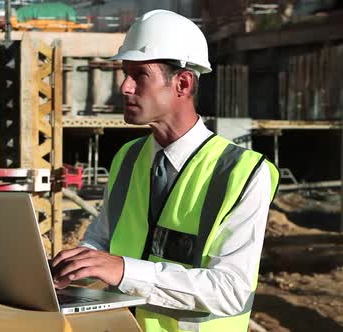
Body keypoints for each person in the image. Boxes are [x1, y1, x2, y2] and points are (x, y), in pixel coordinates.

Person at [51, 10, 280, 332]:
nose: (125, 87)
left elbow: (230, 289)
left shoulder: (244, 172)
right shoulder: (128, 158)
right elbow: (103, 238)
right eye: (124, 73)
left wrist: (122, 270)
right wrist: (79, 265)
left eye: (139, 75)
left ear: (182, 84)